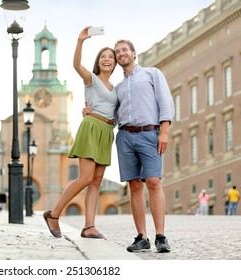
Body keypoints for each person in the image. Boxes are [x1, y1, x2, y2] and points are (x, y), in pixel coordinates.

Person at [85, 39, 174, 252]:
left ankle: (160, 236)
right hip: (125, 136)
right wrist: (91, 113)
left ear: (134, 53)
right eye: (117, 52)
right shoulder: (117, 88)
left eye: (124, 50)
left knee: (153, 181)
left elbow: (165, 102)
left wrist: (163, 132)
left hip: (150, 133)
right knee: (134, 185)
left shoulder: (152, 74)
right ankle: (142, 237)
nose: (121, 54)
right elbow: (112, 116)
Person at [43, 26, 118, 239]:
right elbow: (76, 65)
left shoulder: (115, 88)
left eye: (110, 57)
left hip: (106, 131)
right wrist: (80, 41)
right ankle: (54, 214)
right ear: (98, 61)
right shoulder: (91, 79)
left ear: (115, 63)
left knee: (96, 181)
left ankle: (89, 227)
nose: (107, 59)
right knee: (85, 178)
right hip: (92, 128)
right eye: (103, 56)